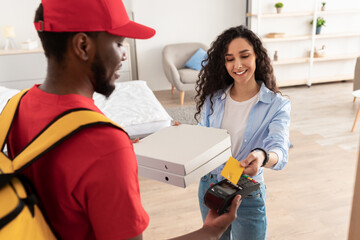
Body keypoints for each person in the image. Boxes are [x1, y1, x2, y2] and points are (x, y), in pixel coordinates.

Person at [6, 1, 242, 239]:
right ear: (83, 45)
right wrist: (212, 231)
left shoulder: (16, 107)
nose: (124, 55)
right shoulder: (104, 143)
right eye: (118, 43)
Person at [195, 25, 291, 240]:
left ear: (257, 57)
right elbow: (203, 138)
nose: (237, 65)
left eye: (244, 55)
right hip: (210, 184)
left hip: (246, 191)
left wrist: (262, 156)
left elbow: (279, 149)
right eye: (229, 59)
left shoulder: (277, 105)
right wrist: (185, 137)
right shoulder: (214, 99)